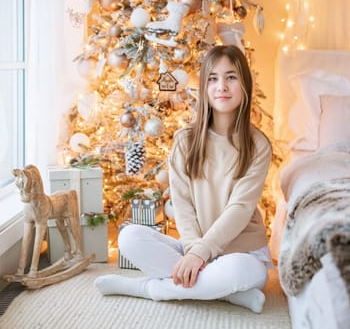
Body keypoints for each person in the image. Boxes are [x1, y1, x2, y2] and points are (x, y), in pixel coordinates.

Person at [94, 45, 273, 313]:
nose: (221, 86)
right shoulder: (185, 141)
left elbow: (240, 208)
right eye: (212, 78)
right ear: (204, 87)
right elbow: (183, 204)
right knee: (129, 237)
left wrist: (200, 254)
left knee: (237, 271)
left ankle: (146, 288)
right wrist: (193, 251)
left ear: (244, 84)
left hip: (243, 253)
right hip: (195, 246)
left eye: (231, 77)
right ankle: (226, 295)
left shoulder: (258, 145)